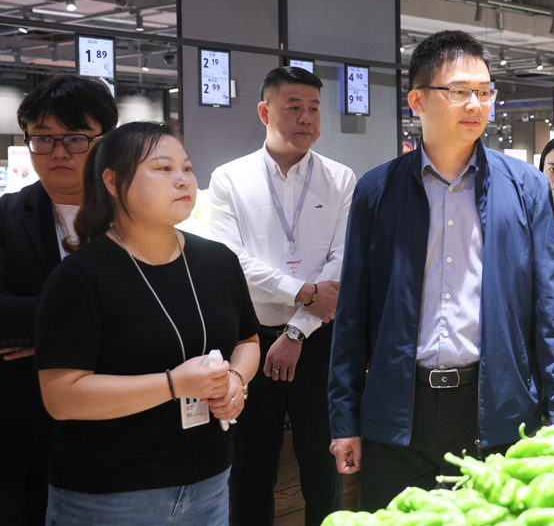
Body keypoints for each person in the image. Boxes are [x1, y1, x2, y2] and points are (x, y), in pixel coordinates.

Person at [328, 30, 554, 510]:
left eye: (484, 92)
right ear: (417, 100)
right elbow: (352, 314)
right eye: (460, 91)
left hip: (496, 407)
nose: (475, 104)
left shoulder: (526, 187)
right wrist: (344, 418)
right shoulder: (376, 190)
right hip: (399, 412)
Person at [34, 121, 260, 526]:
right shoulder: (81, 276)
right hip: (109, 494)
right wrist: (174, 384)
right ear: (113, 181)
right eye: (162, 168)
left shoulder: (219, 261)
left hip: (209, 481)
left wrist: (236, 380)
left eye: (187, 168)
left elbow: (248, 340)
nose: (183, 180)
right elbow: (61, 396)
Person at [207, 66, 355, 526]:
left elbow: (342, 262)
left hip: (319, 342)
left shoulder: (341, 178)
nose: (306, 118)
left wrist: (297, 329)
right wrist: (302, 292)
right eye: (294, 107)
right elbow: (230, 260)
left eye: (314, 108)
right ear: (264, 111)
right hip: (248, 341)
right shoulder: (229, 179)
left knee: (322, 469)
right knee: (250, 471)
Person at [0, 74, 117, 526]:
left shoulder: (134, 217)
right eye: (43, 138)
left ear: (104, 141)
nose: (59, 152)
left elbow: (159, 310)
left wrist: (44, 337)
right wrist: (95, 327)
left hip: (119, 427)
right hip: (23, 429)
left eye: (76, 137)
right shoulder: (5, 217)